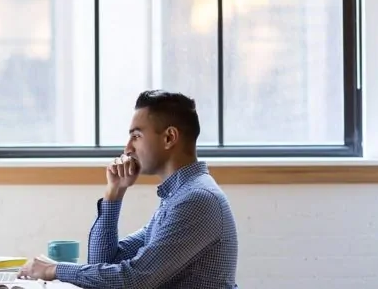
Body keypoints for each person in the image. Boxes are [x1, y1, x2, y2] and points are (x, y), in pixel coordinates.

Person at [19, 90, 239, 288]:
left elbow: (134, 280)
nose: (127, 148)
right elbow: (103, 263)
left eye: (136, 136)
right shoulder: (178, 197)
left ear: (169, 137)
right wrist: (114, 192)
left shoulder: (196, 200)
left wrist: (54, 270)